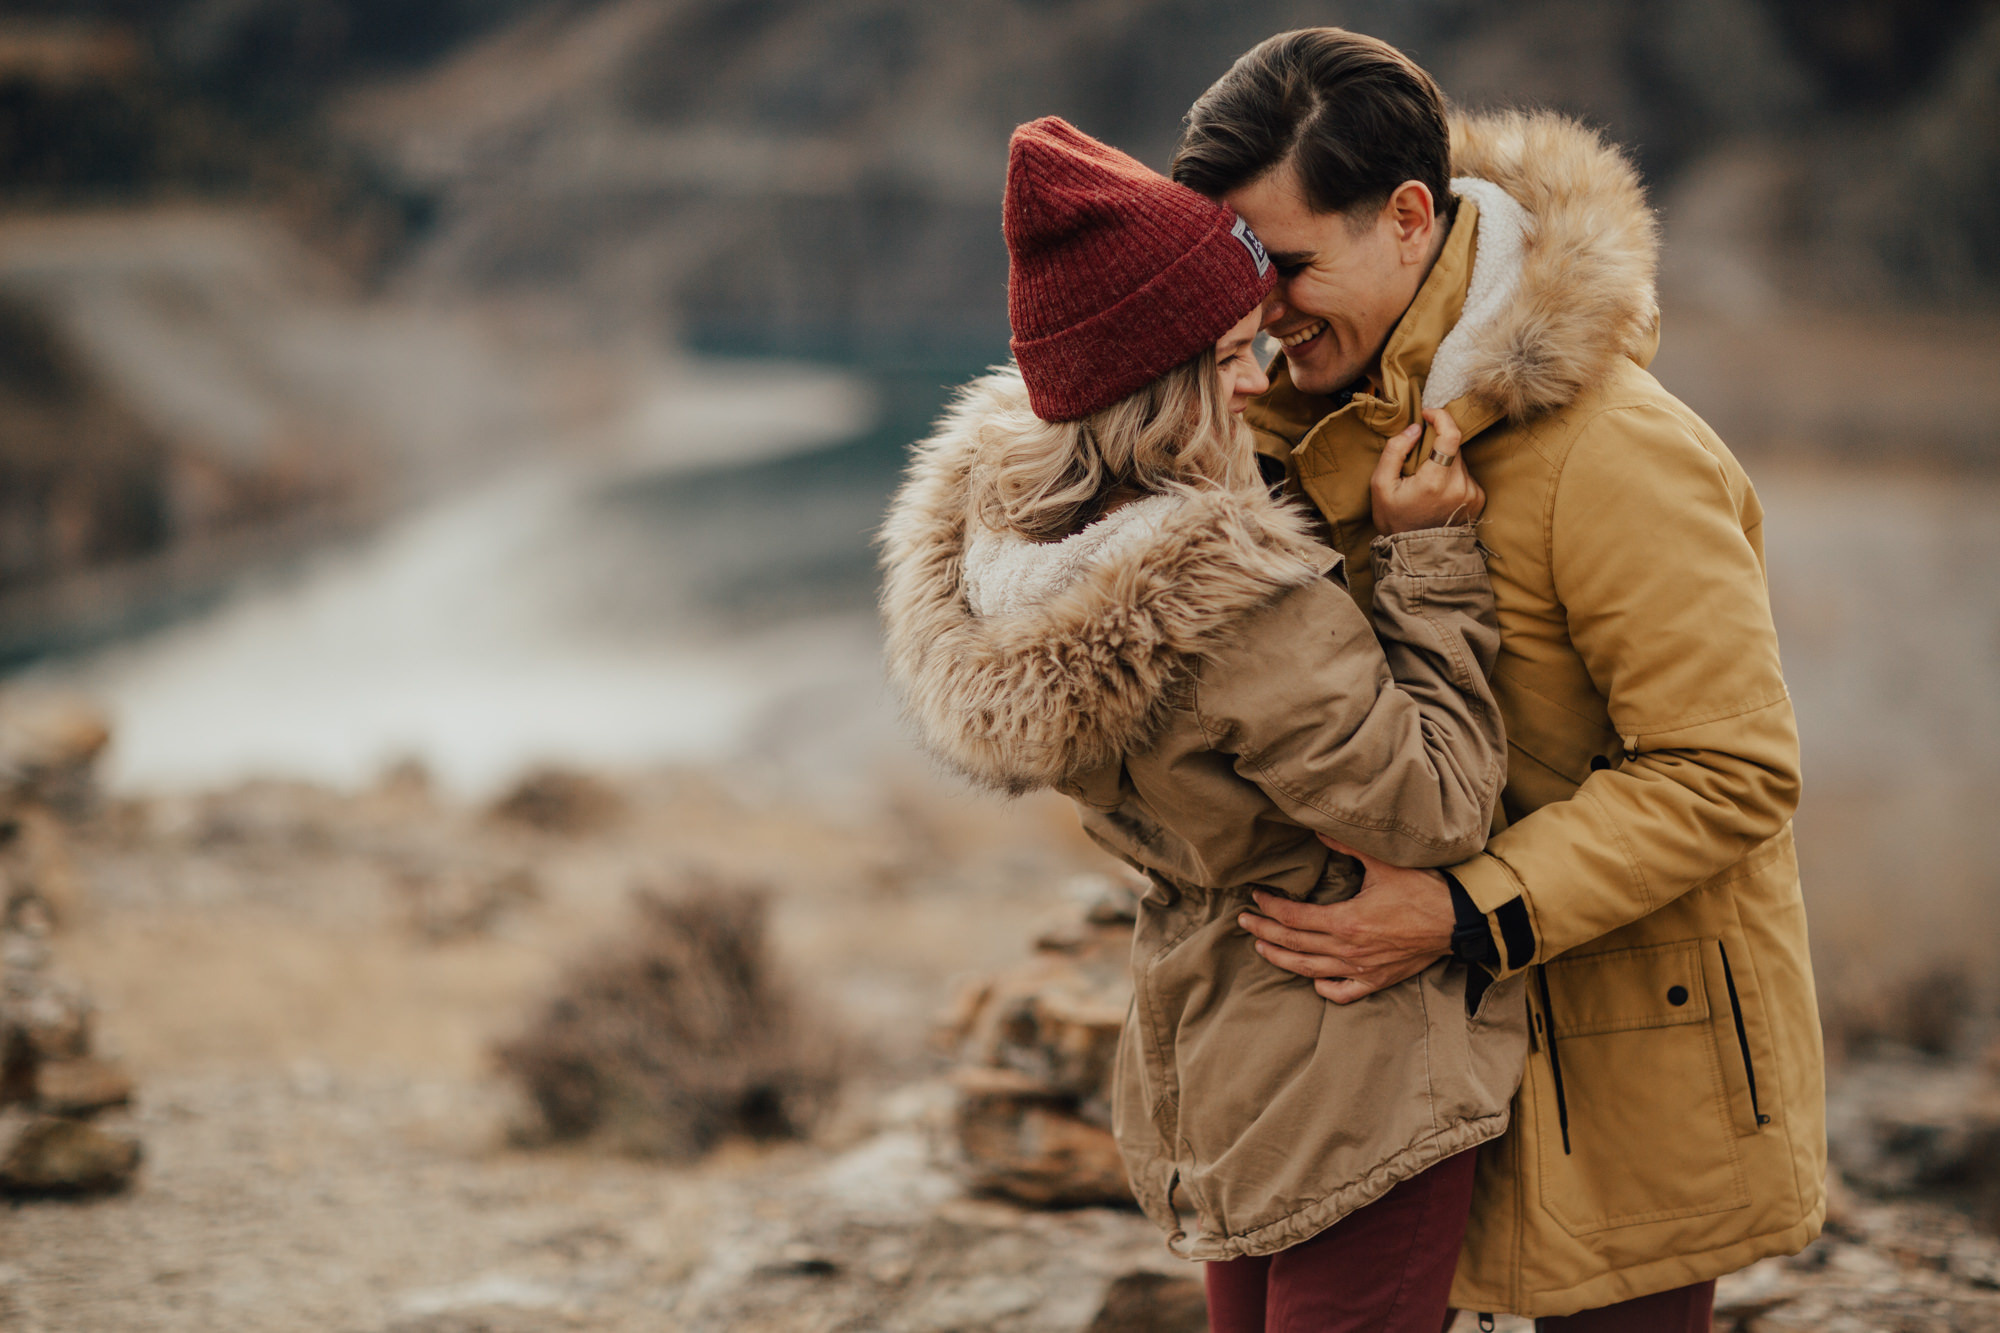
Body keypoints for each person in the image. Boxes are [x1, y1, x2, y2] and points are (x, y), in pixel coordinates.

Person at [1171, 28, 1826, 1330]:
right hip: (1390, 1062)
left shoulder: (1616, 455)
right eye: (1242, 272)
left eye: (1291, 265)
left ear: (1410, 217)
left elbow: (1732, 768)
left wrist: (1464, 911)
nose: (1264, 309)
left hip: (1632, 1060)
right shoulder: (1280, 426)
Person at [878, 116, 1527, 1333]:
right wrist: (1425, 559)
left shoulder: (1025, 558)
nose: (1262, 374)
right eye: (1230, 352)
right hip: (1356, 1069)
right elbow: (1438, 803)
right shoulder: (1230, 602)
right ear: (1155, 377)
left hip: (1212, 1055)